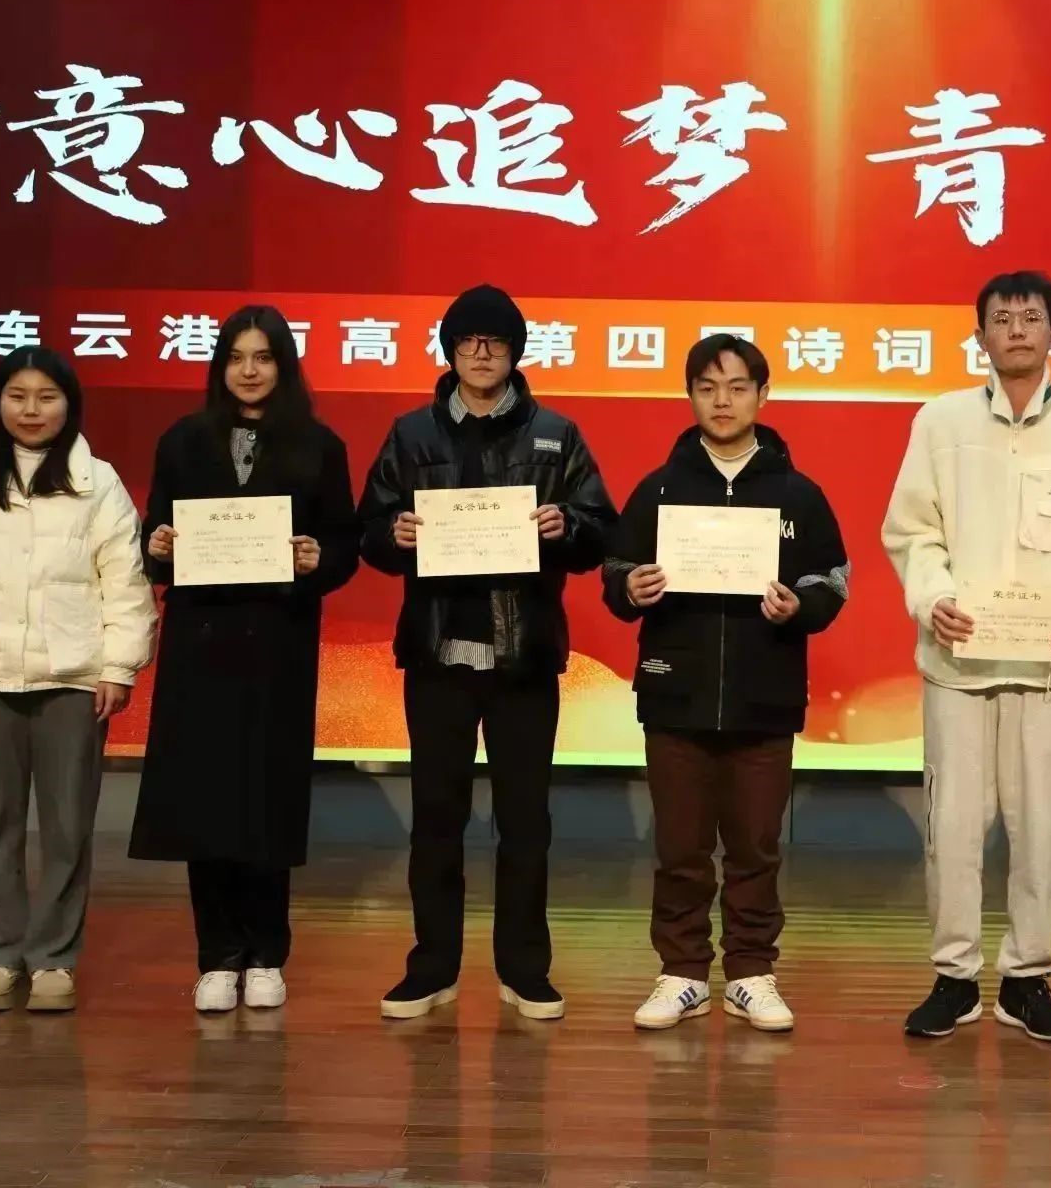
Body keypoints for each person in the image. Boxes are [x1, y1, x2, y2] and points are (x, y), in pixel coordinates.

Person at [882, 270, 1051, 1042]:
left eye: (1031, 317)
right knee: (953, 826)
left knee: (1040, 827)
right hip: (958, 662)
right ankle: (954, 977)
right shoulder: (941, 422)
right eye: (1003, 319)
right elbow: (912, 530)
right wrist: (933, 597)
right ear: (981, 336)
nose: (1017, 330)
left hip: (1049, 665)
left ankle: (1027, 979)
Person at [357, 284, 618, 1022]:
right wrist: (392, 535)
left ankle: (525, 970)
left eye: (495, 341)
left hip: (523, 656)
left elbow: (603, 530)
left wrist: (566, 526)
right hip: (436, 655)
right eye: (467, 340)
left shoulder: (555, 434)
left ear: (515, 352)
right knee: (436, 819)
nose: (480, 352)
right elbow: (367, 530)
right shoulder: (412, 434)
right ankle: (431, 968)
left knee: (525, 822)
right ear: (449, 350)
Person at [604, 333, 850, 1034]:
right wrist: (631, 587)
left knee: (755, 848)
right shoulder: (658, 489)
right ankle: (682, 972)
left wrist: (800, 605)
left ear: (763, 395)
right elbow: (615, 573)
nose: (722, 400)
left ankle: (750, 973)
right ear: (689, 396)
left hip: (764, 697)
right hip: (674, 695)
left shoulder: (798, 493)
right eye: (707, 387)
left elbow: (833, 582)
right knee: (680, 848)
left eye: (738, 387)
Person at [0, 347, 156, 1013]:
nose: (32, 410)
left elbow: (124, 581)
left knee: (68, 827)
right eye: (18, 396)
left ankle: (53, 961)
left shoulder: (98, 483)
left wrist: (117, 666)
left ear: (69, 404)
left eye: (47, 397)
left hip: (73, 678)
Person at [130, 305, 360, 1014]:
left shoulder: (318, 446)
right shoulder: (182, 440)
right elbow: (156, 534)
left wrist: (319, 559)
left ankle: (266, 953)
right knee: (204, 801)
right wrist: (156, 547)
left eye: (263, 357)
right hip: (200, 646)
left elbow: (344, 545)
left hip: (276, 644)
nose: (249, 370)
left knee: (267, 798)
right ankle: (216, 955)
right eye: (236, 357)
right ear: (220, 365)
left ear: (283, 365)